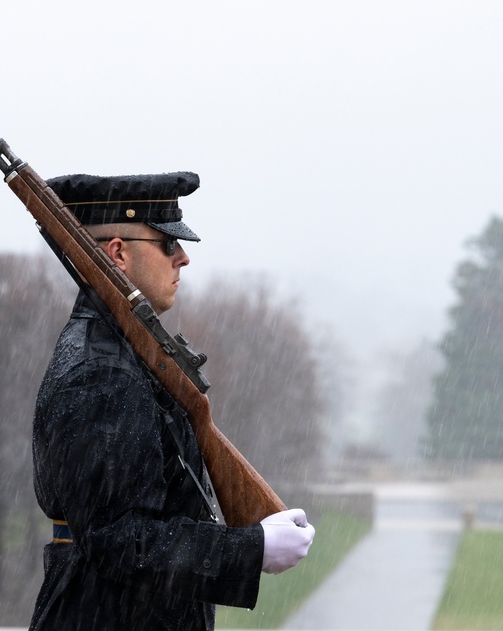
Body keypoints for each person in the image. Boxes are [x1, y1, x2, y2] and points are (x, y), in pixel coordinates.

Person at [28, 171, 315, 630]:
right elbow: (121, 540)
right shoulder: (102, 373)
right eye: (166, 244)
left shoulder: (124, 353)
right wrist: (250, 549)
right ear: (117, 253)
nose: (183, 258)